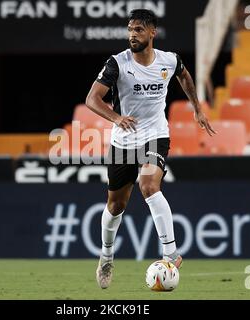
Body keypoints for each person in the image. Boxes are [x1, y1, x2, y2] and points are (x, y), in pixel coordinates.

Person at [85, 9, 216, 289]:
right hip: (123, 140)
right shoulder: (117, 64)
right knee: (115, 205)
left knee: (148, 186)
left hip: (155, 135)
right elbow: (92, 99)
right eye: (130, 29)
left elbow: (184, 75)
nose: (133, 34)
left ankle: (170, 253)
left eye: (139, 30)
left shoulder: (168, 60)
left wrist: (197, 108)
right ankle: (107, 255)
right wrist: (116, 118)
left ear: (152, 33)